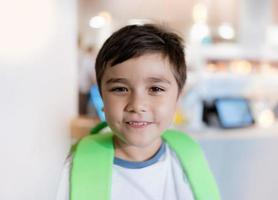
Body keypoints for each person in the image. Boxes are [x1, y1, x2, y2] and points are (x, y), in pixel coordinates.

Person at [56, 24, 220, 200]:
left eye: (155, 89)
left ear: (177, 98)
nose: (137, 105)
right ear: (102, 98)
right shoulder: (75, 170)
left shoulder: (189, 156)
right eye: (120, 89)